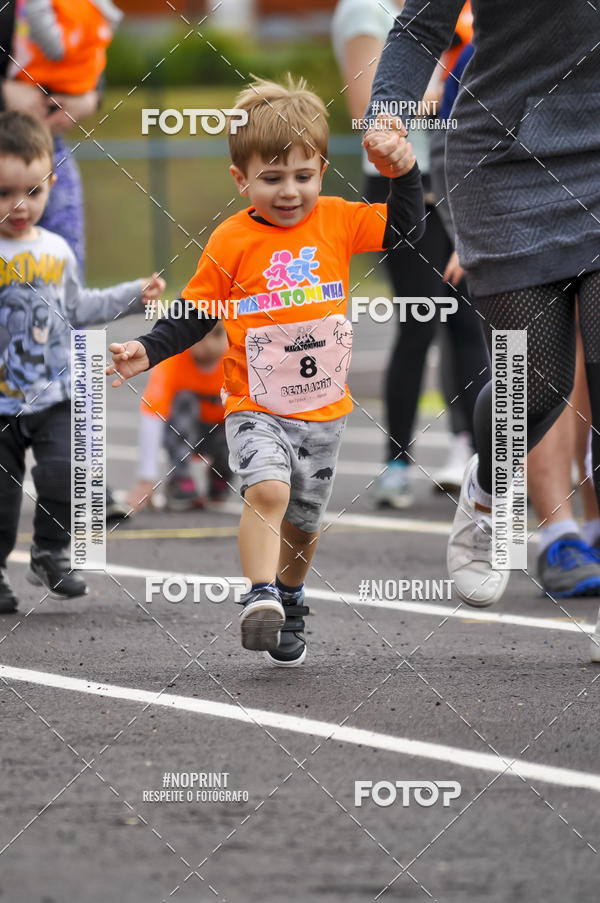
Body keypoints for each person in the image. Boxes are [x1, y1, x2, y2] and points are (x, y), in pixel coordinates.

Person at [107, 75, 424, 666]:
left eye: (303, 176)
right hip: (254, 405)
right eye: (272, 178)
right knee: (267, 490)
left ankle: (292, 595)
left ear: (323, 170)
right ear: (241, 178)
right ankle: (260, 595)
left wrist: (403, 173)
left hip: (322, 411)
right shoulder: (231, 240)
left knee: (303, 526)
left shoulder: (337, 219)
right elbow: (193, 314)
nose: (289, 192)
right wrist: (146, 350)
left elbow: (406, 231)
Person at [365, 1, 600, 611]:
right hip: (506, 159)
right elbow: (421, 26)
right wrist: (387, 115)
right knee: (536, 384)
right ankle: (492, 487)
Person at [0, 110, 165, 613]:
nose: (20, 205)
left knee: (67, 474)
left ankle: (50, 552)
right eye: (5, 193)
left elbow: (79, 308)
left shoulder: (57, 251)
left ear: (50, 183)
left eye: (33, 191)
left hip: (54, 395)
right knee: (1, 505)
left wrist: (134, 297)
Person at [332, 0, 488, 506]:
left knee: (466, 322)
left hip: (451, 177)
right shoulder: (362, 12)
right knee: (419, 320)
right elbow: (365, 110)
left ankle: (470, 452)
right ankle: (397, 461)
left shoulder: (441, 6)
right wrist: (450, 94)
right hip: (399, 184)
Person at [127, 324, 232, 514]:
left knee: (244, 418)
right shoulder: (173, 362)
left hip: (219, 435)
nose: (208, 344)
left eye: (216, 334)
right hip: (182, 435)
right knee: (185, 401)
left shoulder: (235, 361)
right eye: (201, 335)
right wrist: (146, 480)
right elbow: (153, 415)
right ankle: (180, 478)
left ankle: (221, 474)